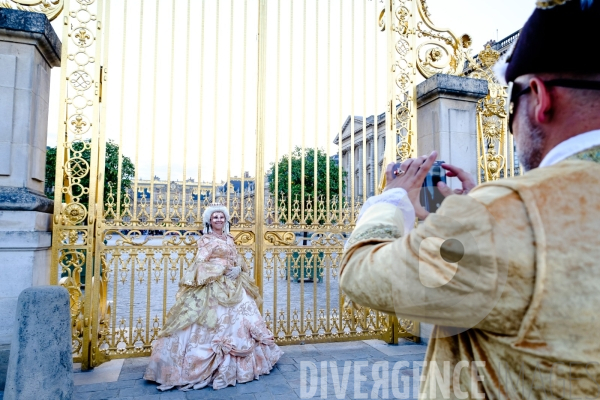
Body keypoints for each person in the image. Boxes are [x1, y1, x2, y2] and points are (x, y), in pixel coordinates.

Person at [340, 1, 600, 398]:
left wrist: (392, 200)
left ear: (540, 97)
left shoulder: (499, 215)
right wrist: (483, 204)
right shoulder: (497, 211)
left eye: (511, 108)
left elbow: (362, 275)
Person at [144, 203, 282, 391]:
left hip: (234, 283)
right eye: (215, 217)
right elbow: (200, 262)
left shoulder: (229, 238)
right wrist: (220, 270)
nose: (219, 219)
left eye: (221, 217)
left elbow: (237, 258)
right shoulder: (206, 240)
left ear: (225, 220)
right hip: (213, 284)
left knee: (244, 318)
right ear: (210, 220)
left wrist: (237, 268)